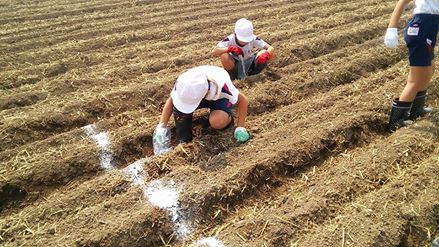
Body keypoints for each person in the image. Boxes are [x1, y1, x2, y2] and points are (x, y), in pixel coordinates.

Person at [154, 65, 250, 146]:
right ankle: (185, 140)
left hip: (218, 98)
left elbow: (243, 100)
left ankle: (227, 118)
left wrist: (240, 127)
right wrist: (161, 126)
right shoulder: (184, 83)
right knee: (182, 126)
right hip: (197, 94)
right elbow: (171, 101)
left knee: (218, 122)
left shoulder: (223, 86)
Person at [384, 0, 437, 131]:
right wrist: (392, 28)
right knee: (416, 79)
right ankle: (396, 121)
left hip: (429, 27)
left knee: (429, 70)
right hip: (421, 29)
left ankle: (417, 110)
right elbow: (402, 2)